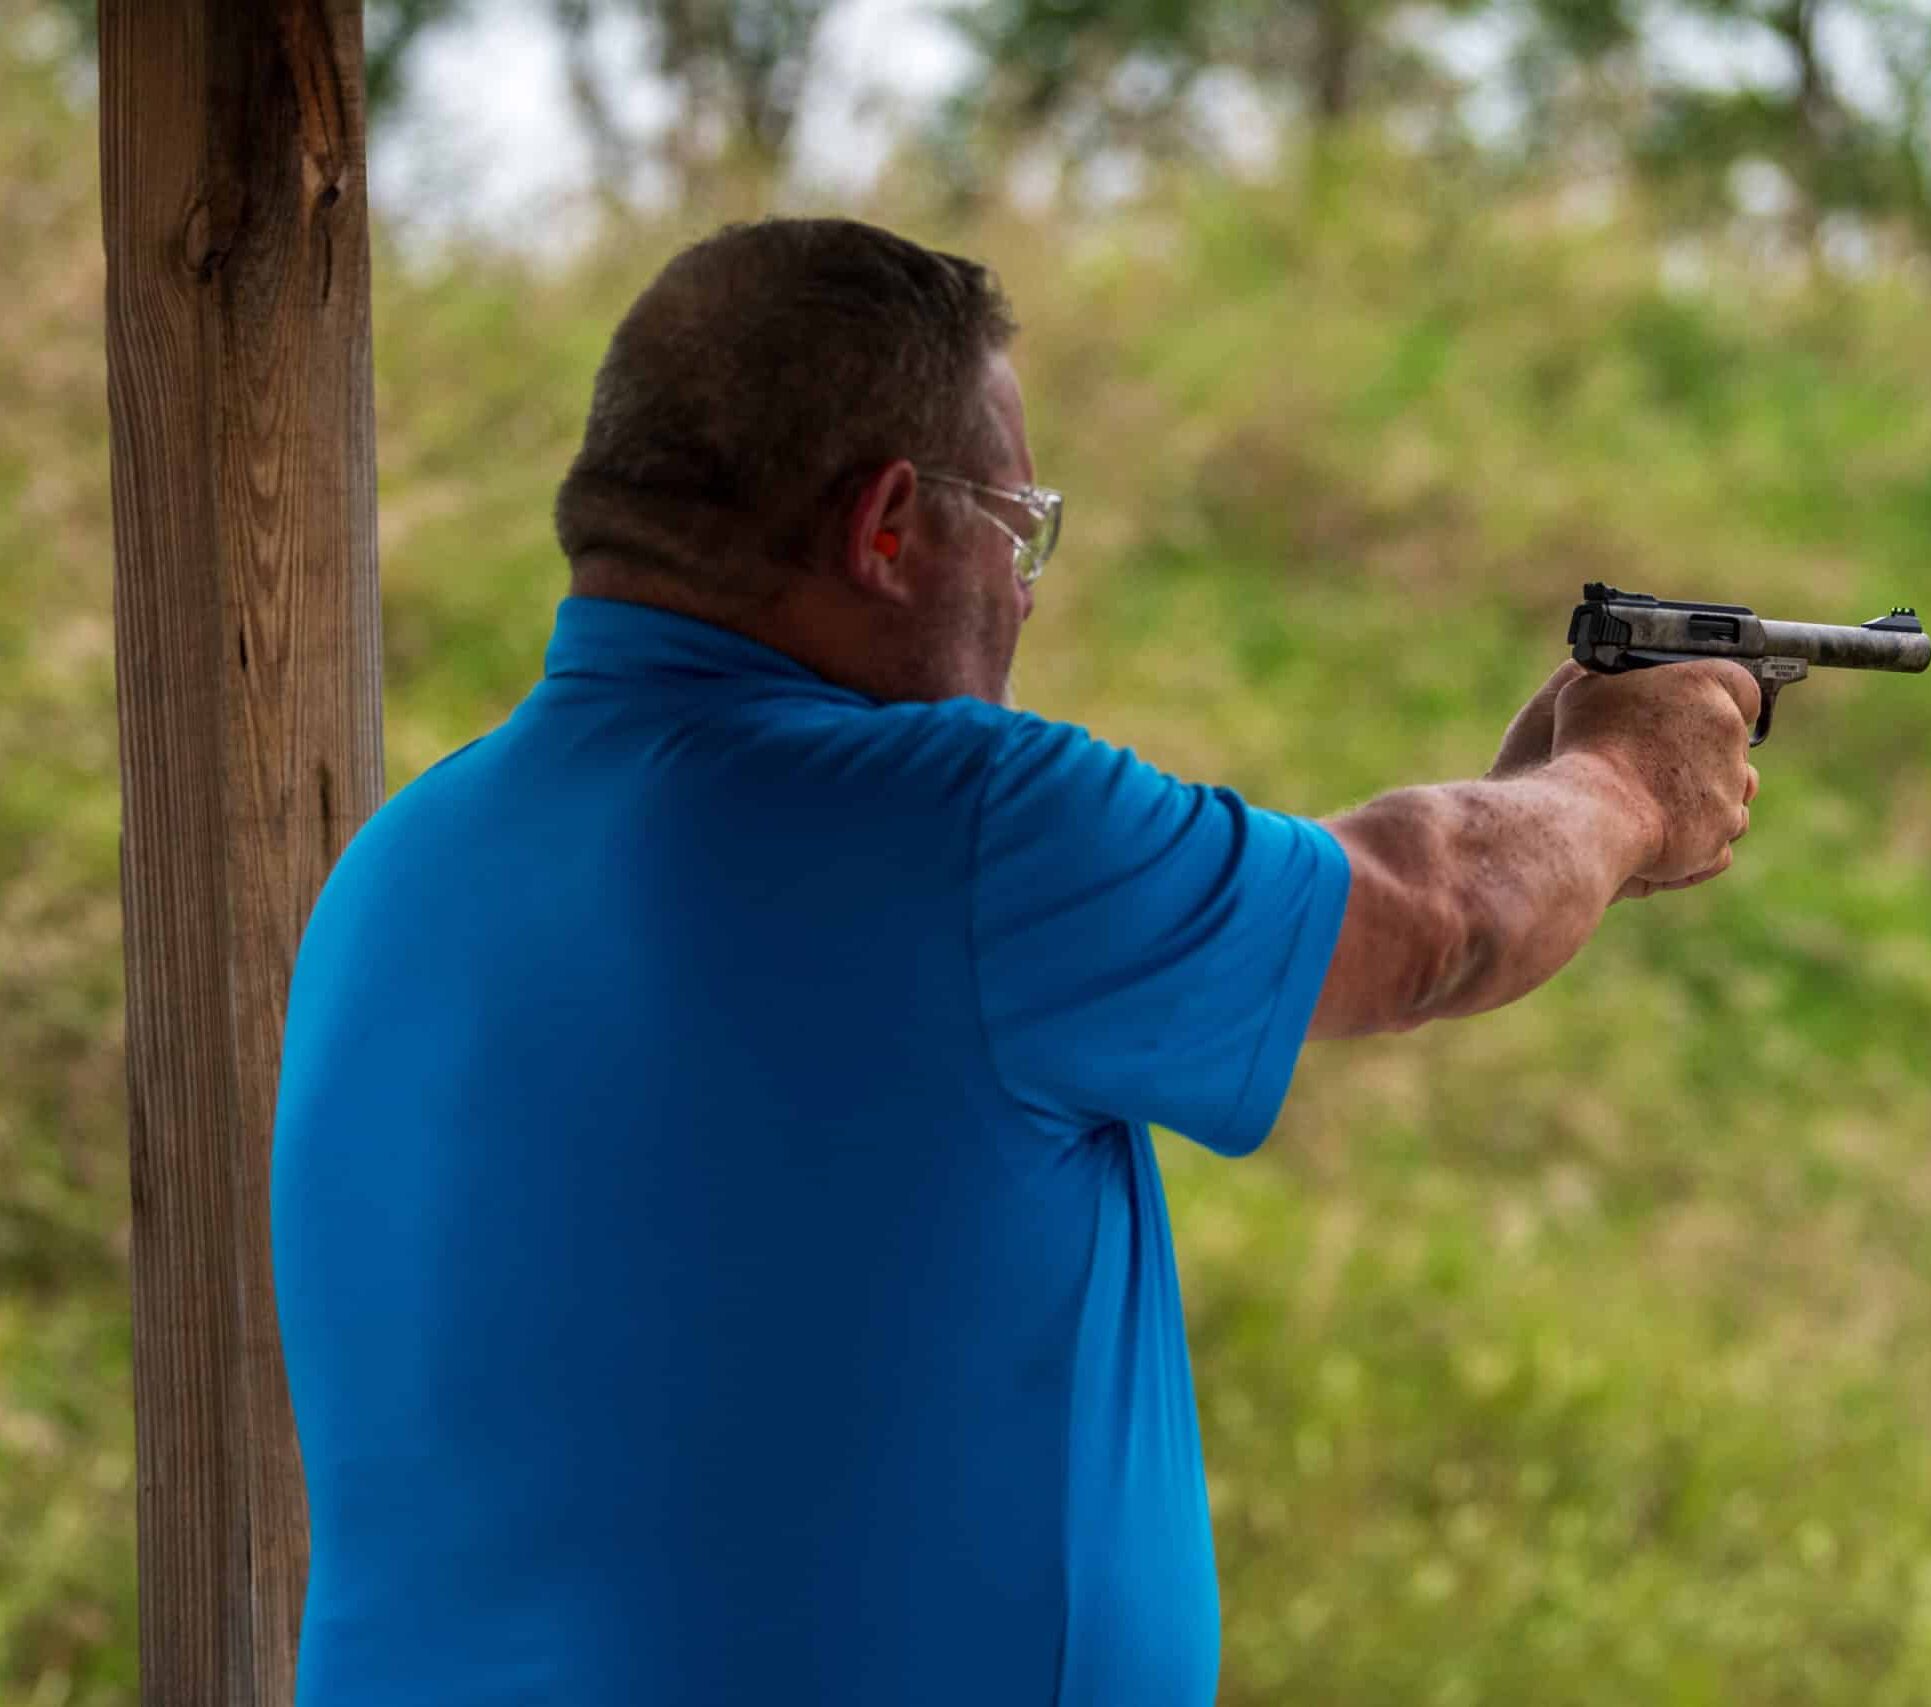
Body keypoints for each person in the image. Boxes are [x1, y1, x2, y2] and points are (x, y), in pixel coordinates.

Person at [269, 216, 1761, 1707]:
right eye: (1017, 523)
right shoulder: (957, 821)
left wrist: (1533, 806)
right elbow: (1437, 915)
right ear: (888, 526)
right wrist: (1631, 783)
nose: (1028, 587)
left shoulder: (398, 866)